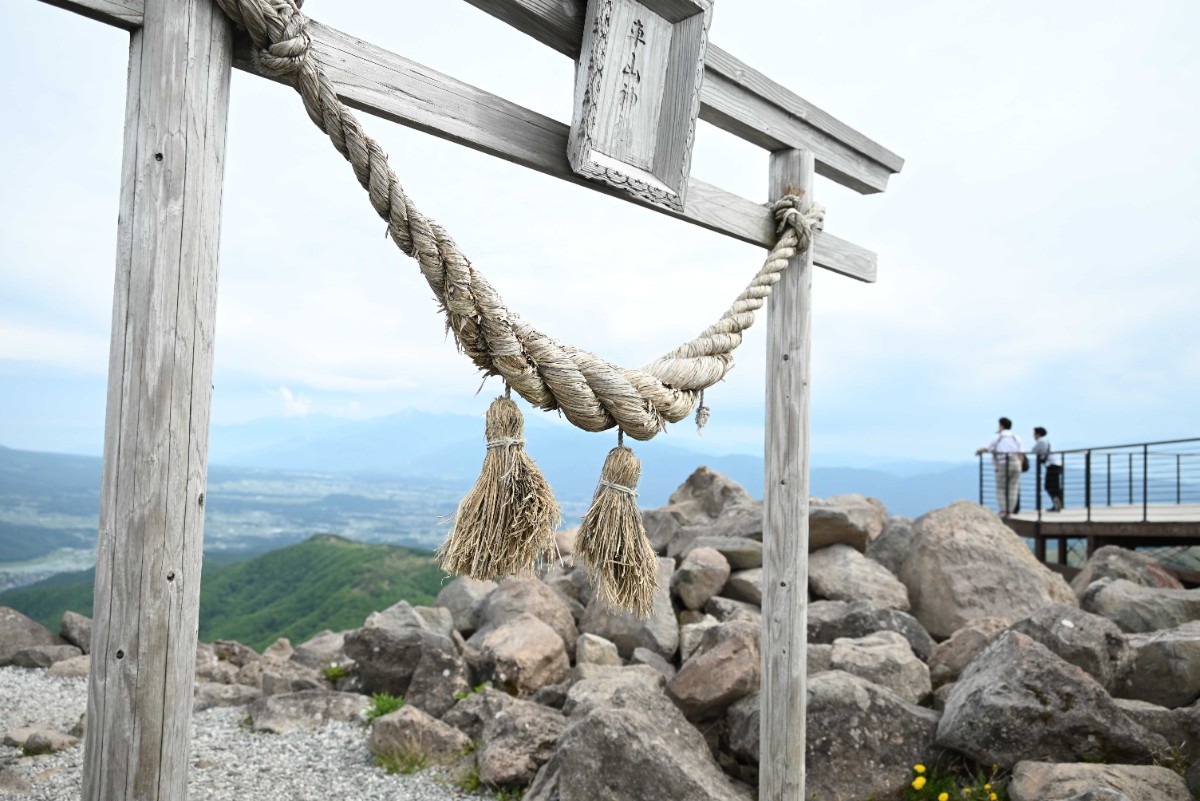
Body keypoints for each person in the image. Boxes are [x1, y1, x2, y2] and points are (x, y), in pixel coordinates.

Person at [975, 417, 1023, 515]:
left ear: (1001, 425)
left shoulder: (997, 436)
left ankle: (1004, 509)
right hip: (1016, 463)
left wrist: (978, 451)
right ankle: (1010, 510)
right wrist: (1020, 465)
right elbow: (1021, 453)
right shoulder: (1016, 437)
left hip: (1002, 463)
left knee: (1001, 487)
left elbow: (987, 448)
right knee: (1013, 487)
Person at [1031, 426, 1064, 511]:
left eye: (1034, 434)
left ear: (1038, 434)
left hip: (1051, 465)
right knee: (1055, 485)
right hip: (1057, 464)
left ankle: (1056, 503)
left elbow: (1033, 450)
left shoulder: (1041, 441)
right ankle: (1058, 503)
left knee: (1048, 486)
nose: (1033, 436)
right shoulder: (1048, 440)